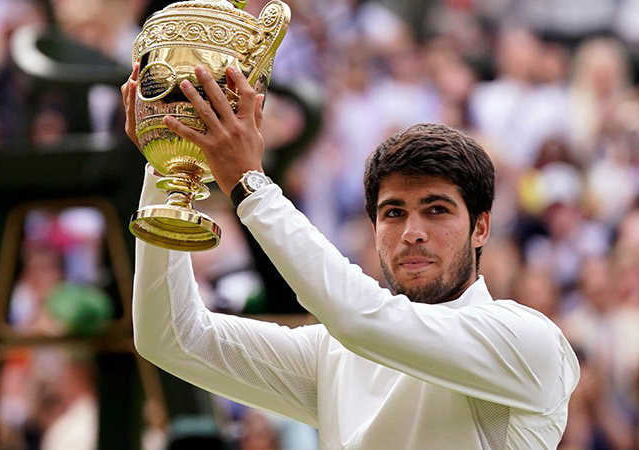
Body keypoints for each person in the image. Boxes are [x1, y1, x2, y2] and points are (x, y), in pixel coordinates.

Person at [123, 63, 580, 449]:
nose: (412, 233)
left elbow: (362, 320)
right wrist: (167, 161)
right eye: (393, 213)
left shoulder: (529, 341)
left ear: (481, 227)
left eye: (437, 210)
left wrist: (250, 184)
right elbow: (171, 335)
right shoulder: (335, 352)